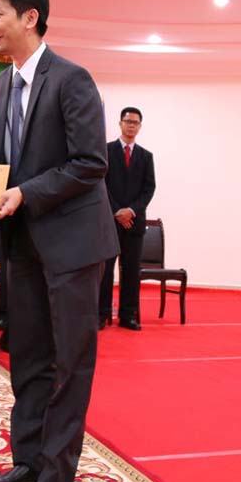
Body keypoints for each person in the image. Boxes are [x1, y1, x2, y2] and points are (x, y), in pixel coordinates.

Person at [0, 0, 118, 482]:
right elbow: (3, 154)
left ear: (30, 17)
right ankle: (26, 459)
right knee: (26, 354)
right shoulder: (1, 85)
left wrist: (26, 191)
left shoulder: (72, 79)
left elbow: (91, 163)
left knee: (70, 361)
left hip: (73, 241)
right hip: (22, 240)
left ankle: (58, 476)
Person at [99, 107, 156, 331]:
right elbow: (100, 184)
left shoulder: (146, 156)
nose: (131, 125)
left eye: (135, 122)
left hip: (134, 223)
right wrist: (116, 211)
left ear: (140, 127)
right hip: (109, 222)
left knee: (131, 271)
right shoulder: (105, 151)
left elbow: (149, 188)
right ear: (120, 123)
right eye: (127, 121)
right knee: (105, 272)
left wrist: (131, 210)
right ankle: (101, 314)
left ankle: (128, 315)